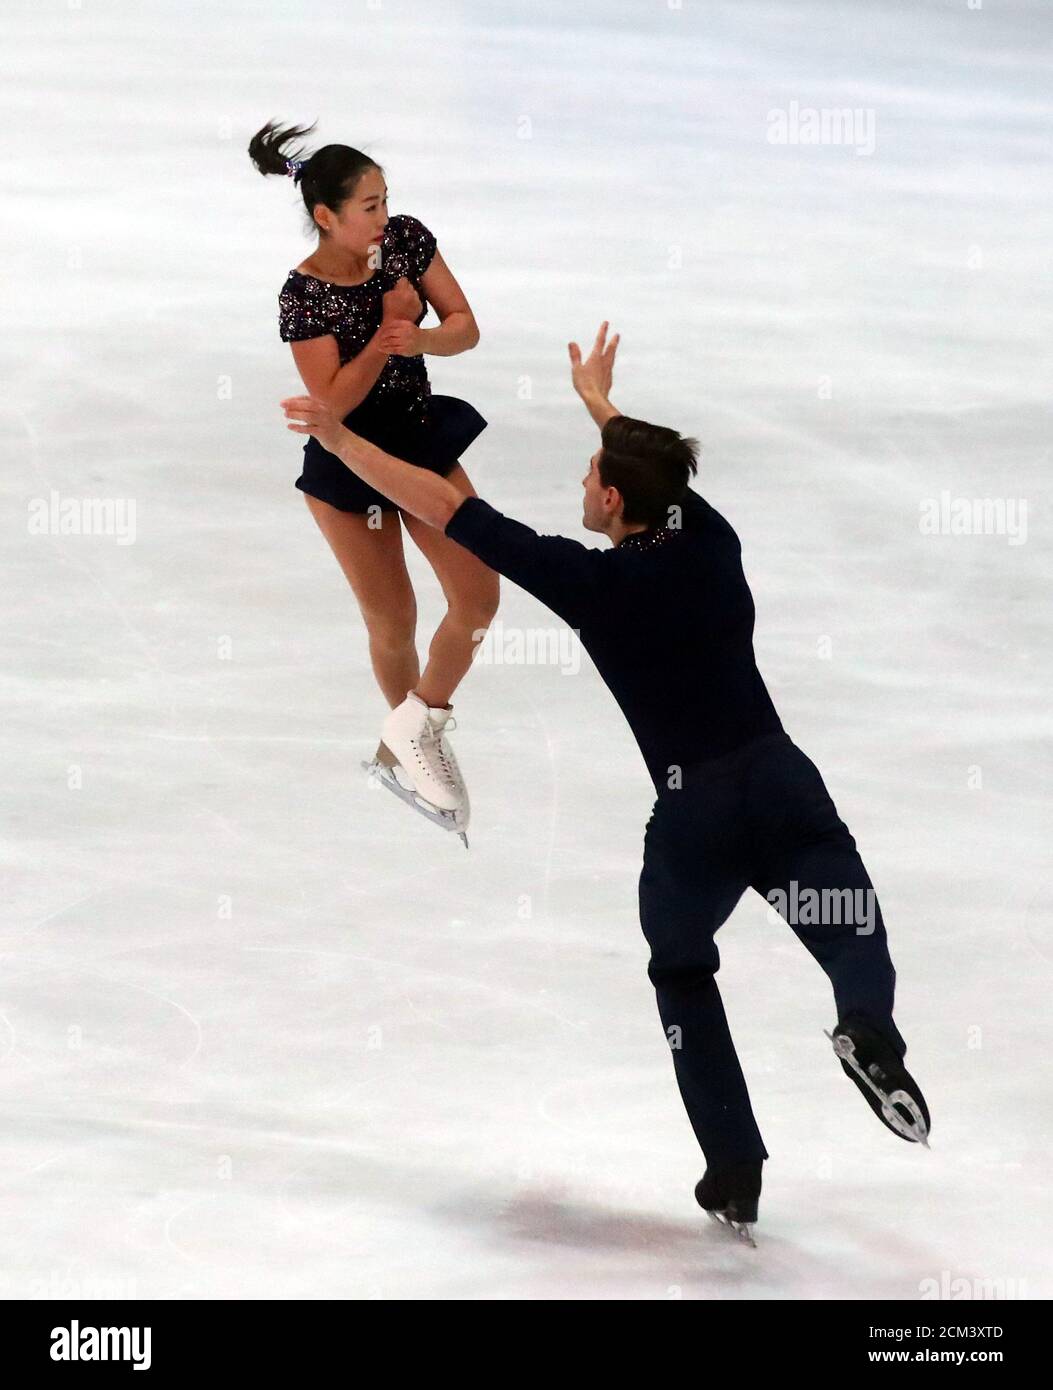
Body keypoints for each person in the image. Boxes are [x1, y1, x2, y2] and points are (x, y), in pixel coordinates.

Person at [279, 323, 931, 1240]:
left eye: (592, 475)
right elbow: (665, 475)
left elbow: (447, 506)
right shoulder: (710, 538)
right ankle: (867, 1030)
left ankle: (733, 1168)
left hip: (692, 820)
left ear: (613, 499)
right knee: (848, 928)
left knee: (681, 969)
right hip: (782, 786)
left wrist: (343, 442)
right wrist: (600, 406)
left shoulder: (589, 582)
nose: (581, 485)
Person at [249, 120, 498, 831]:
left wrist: (418, 336)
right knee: (394, 619)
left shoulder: (408, 241)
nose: (383, 217)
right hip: (348, 463)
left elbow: (464, 327)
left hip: (418, 442)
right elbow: (330, 406)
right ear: (325, 217)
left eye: (386, 200)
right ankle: (410, 746)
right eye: (369, 206)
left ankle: (416, 727)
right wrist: (390, 337)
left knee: (478, 596)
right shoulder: (301, 295)